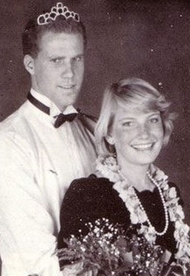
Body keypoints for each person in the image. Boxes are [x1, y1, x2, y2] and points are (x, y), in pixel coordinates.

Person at [0, 3, 97, 276]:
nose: (70, 73)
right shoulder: (7, 143)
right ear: (30, 64)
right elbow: (40, 261)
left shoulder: (94, 129)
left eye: (76, 59)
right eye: (57, 60)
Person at [58, 78, 190, 275]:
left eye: (152, 119)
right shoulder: (89, 195)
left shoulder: (169, 195)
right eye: (128, 123)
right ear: (109, 134)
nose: (144, 134)